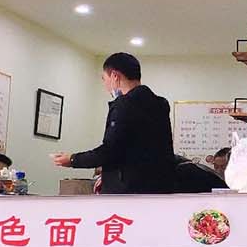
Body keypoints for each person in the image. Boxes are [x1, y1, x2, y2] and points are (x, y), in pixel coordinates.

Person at [52, 53, 175, 194]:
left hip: (128, 191)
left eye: (104, 79)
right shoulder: (160, 104)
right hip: (161, 187)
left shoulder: (123, 104)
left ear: (115, 76)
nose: (105, 86)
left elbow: (110, 151)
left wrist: (73, 159)